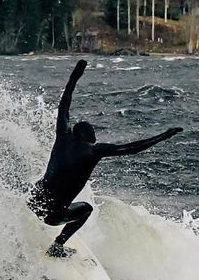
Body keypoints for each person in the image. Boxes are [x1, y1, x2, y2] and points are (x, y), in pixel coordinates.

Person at [29, 59, 182, 257]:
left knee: (39, 186)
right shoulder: (94, 151)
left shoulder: (63, 136)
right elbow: (132, 148)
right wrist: (164, 136)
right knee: (86, 209)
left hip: (34, 202)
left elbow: (64, 104)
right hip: (52, 215)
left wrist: (75, 75)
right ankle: (58, 245)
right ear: (88, 135)